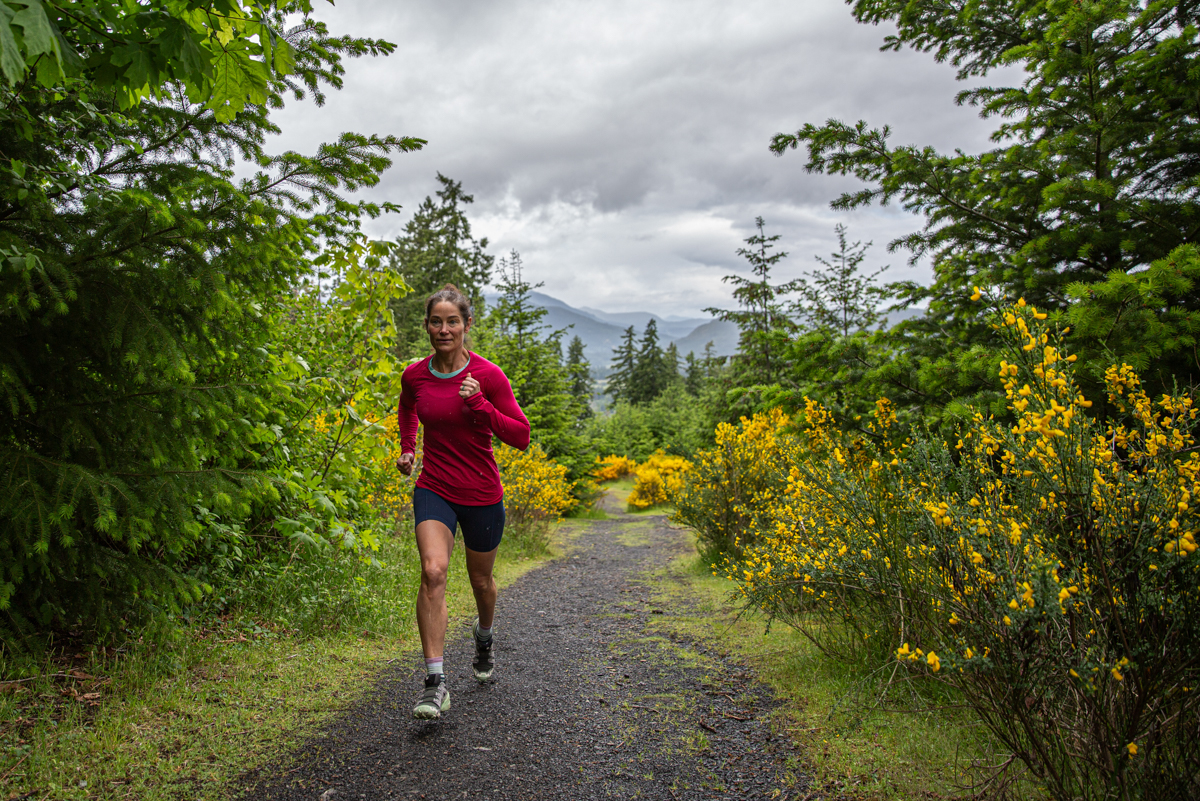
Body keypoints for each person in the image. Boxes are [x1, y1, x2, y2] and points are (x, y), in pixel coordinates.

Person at [396, 284, 530, 720]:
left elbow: (520, 436)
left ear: (467, 325)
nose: (444, 329)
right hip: (435, 487)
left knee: (481, 584)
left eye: (453, 321)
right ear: (427, 327)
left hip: (481, 493)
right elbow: (408, 407)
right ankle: (435, 683)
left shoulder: (488, 376)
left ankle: (484, 635)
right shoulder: (415, 374)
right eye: (436, 321)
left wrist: (479, 404)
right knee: (433, 572)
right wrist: (408, 447)